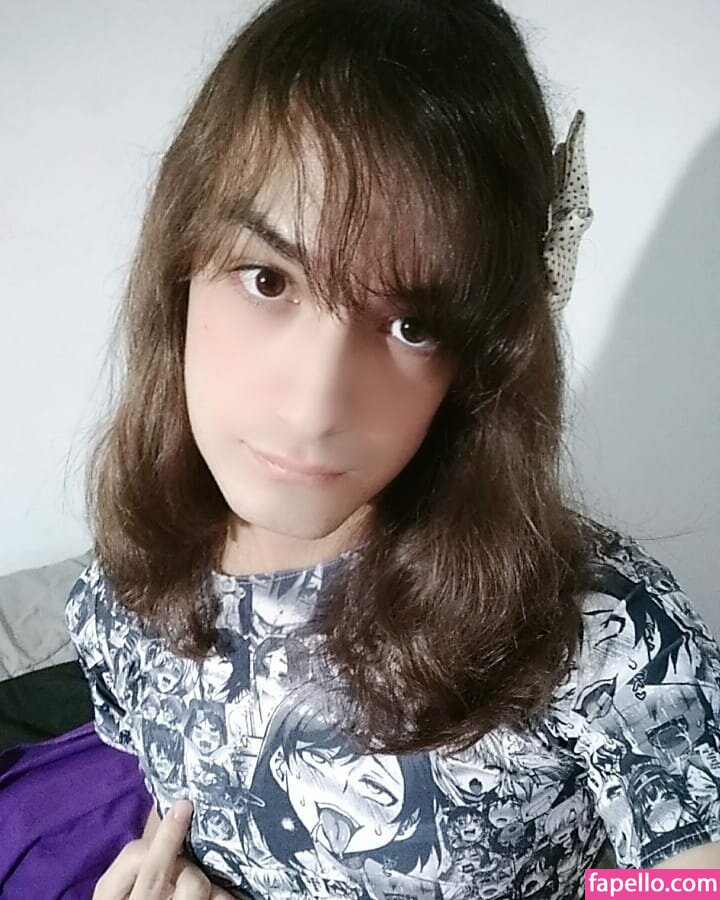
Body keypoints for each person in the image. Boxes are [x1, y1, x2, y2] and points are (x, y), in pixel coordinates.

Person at [57, 0, 720, 897]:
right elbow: (181, 809)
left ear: (481, 356)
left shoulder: (598, 633)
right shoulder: (122, 594)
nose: (314, 405)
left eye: (412, 324)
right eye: (268, 279)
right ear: (180, 268)